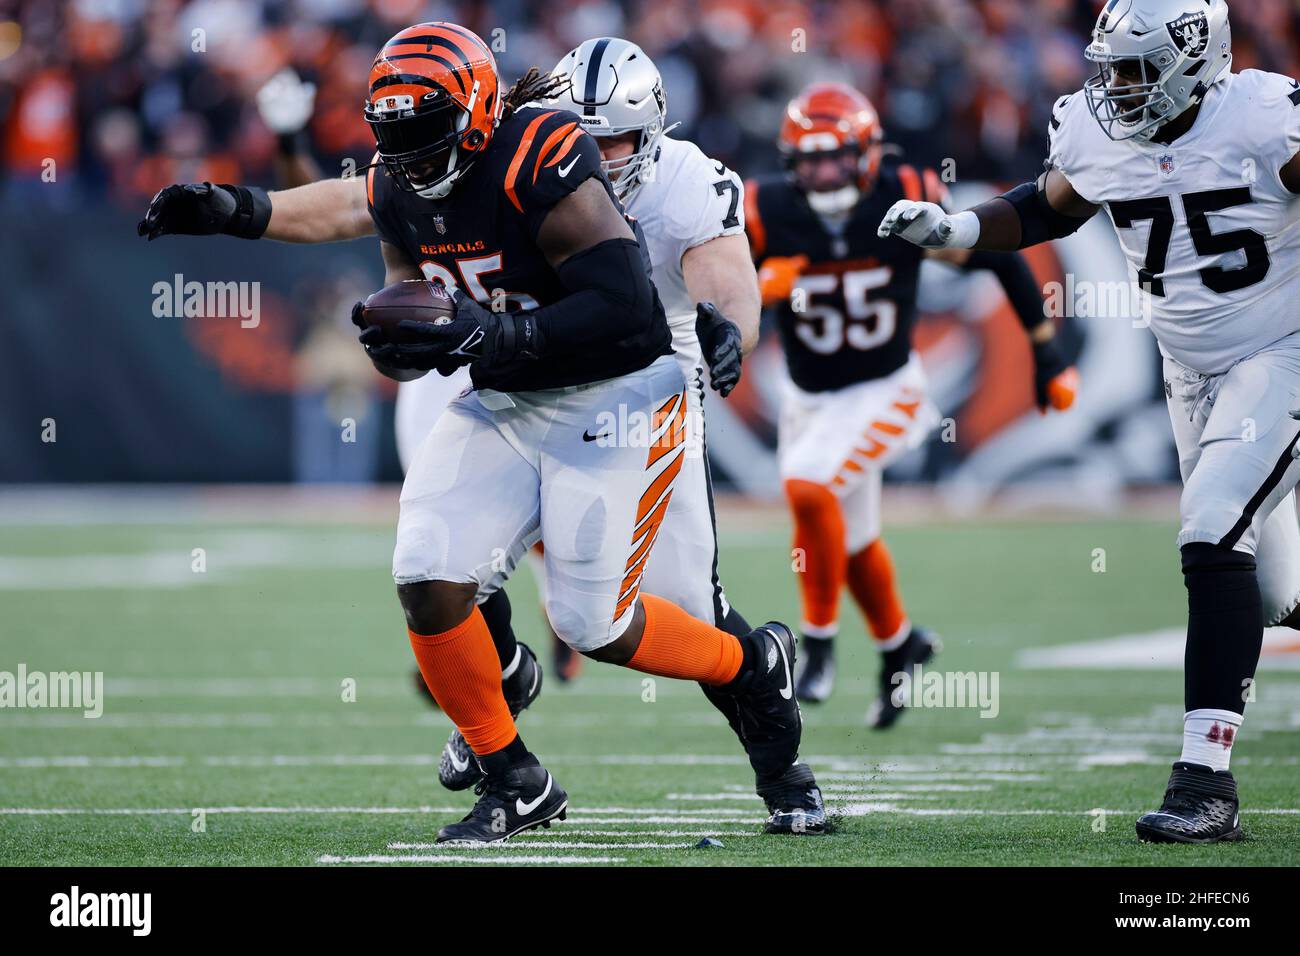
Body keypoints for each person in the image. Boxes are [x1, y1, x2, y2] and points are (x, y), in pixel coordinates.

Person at [139, 22, 818, 842]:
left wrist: (728, 333)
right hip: (508, 388)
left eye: (428, 138)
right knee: (426, 568)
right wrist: (234, 213)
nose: (414, 158)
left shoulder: (557, 159)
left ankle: (757, 685)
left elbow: (632, 310)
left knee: (602, 622)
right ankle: (514, 777)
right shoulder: (408, 173)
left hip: (624, 388)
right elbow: (345, 214)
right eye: (399, 142)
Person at [880, 0, 1300, 842]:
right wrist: (961, 227)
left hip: (1281, 349)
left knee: (1212, 534)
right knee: (1276, 597)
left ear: (1195, 60)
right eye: (1110, 69)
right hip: (1188, 370)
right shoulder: (1102, 130)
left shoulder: (1263, 116)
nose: (1117, 89)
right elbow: (1050, 205)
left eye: (1137, 70)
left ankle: (1204, 783)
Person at [751, 82, 1078, 727]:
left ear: (869, 154)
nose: (823, 173)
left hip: (887, 387)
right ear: (791, 164)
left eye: (837, 157)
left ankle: (817, 645)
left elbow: (996, 260)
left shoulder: (903, 191)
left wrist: (1046, 351)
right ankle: (900, 644)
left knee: (808, 490)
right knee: (853, 536)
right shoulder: (765, 209)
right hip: (807, 397)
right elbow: (719, 293)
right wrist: (759, 287)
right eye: (810, 160)